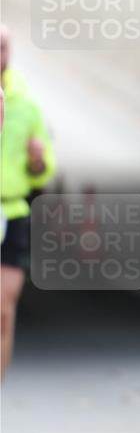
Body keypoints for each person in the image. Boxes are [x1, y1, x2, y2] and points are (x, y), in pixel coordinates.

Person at [1, 24, 57, 375]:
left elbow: (43, 170)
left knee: (4, 309)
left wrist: (37, 159)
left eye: (3, 47)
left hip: (12, 210)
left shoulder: (26, 105)